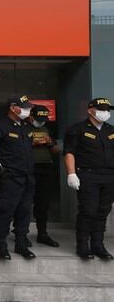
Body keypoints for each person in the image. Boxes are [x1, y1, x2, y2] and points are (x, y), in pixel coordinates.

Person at [0, 95, 37, 260]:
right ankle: (1, 245)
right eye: (24, 107)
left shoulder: (27, 127)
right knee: (5, 211)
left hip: (27, 177)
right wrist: (0, 169)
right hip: (9, 177)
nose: (27, 110)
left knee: (24, 212)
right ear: (13, 107)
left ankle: (21, 244)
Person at [64, 98, 114, 260]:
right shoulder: (77, 130)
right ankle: (83, 245)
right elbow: (69, 152)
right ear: (90, 110)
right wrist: (71, 173)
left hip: (109, 176)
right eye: (102, 109)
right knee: (88, 210)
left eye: (107, 109)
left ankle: (98, 245)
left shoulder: (110, 130)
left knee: (102, 211)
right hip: (88, 175)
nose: (105, 112)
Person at [27, 105, 60, 247]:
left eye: (43, 119)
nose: (41, 122)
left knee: (43, 203)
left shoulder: (48, 128)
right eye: (38, 119)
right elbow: (15, 148)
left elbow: (56, 150)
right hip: (28, 168)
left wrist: (49, 142)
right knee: (24, 202)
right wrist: (32, 143)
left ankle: (42, 233)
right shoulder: (23, 127)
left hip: (45, 168)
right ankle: (20, 233)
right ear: (31, 116)